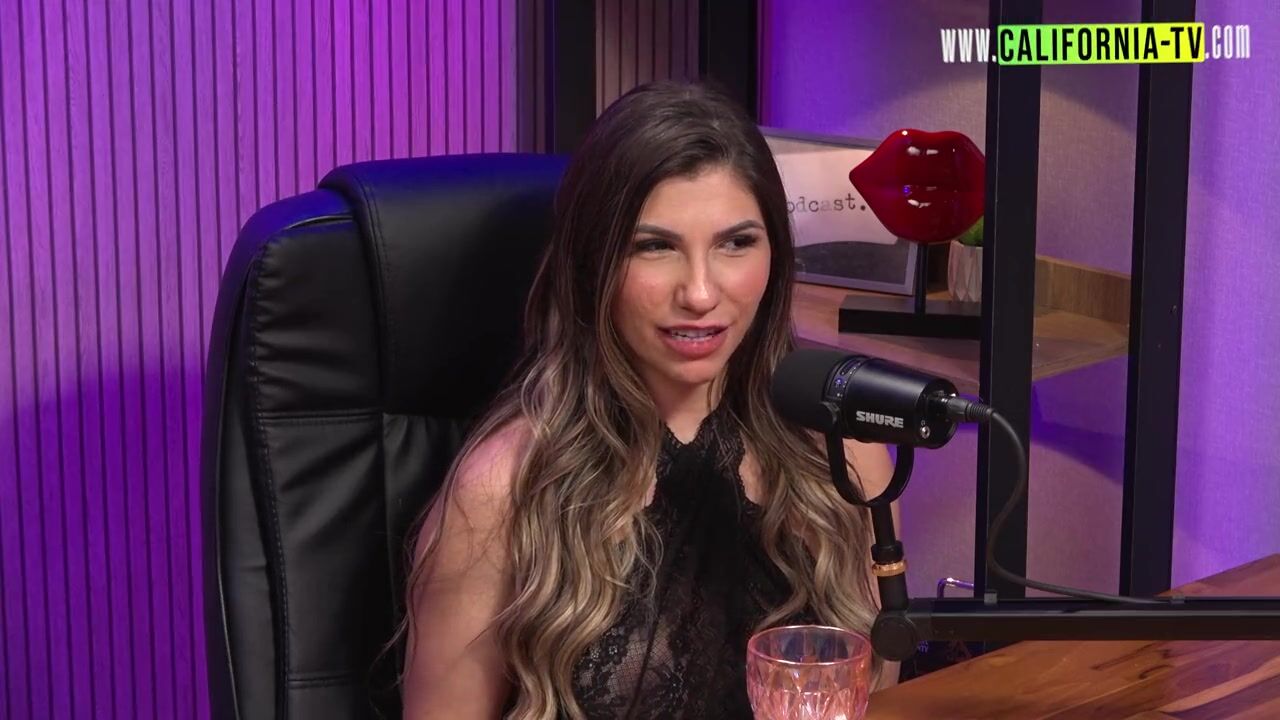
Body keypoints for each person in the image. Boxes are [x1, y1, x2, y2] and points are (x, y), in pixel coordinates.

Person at [401, 80, 899, 719]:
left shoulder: (846, 453)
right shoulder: (500, 492)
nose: (700, 293)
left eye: (736, 243)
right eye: (654, 246)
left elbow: (884, 698)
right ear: (594, 265)